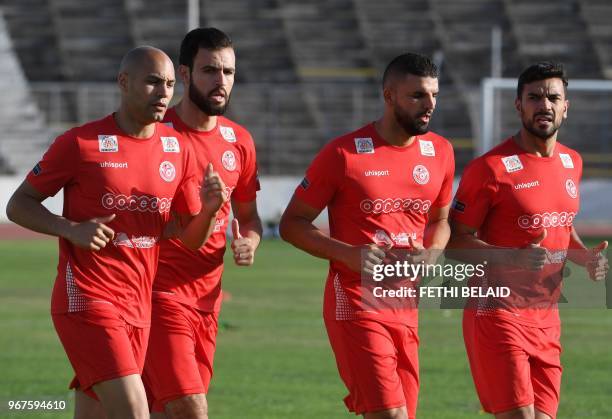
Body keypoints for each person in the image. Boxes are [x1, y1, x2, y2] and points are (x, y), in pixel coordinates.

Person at [6, 46, 226, 419]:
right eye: (153, 82)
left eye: (170, 84)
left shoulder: (177, 149)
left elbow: (188, 238)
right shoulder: (81, 143)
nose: (163, 93)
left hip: (139, 307)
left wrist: (207, 211)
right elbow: (18, 204)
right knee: (135, 411)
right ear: (123, 83)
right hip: (88, 299)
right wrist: (69, 229)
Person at [280, 53, 455, 419]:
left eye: (434, 95)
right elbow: (292, 224)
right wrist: (347, 254)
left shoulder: (439, 151)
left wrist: (434, 250)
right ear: (389, 96)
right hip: (355, 302)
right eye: (417, 96)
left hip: (406, 306)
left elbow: (441, 220)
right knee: (389, 413)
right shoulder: (343, 154)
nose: (429, 106)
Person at [449, 62, 609, 419]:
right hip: (497, 312)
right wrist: (513, 258)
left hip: (547, 316)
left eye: (553, 97)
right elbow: (454, 244)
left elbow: (560, 227)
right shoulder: (490, 169)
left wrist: (583, 258)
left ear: (566, 106)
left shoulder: (572, 162)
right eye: (534, 97)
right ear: (518, 105)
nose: (544, 105)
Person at [142, 28, 261, 419]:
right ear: (186, 74)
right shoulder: (157, 136)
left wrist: (251, 242)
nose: (221, 81)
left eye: (228, 72)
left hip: (208, 303)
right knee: (191, 408)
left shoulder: (239, 141)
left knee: (161, 410)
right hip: (159, 295)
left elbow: (248, 216)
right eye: (210, 70)